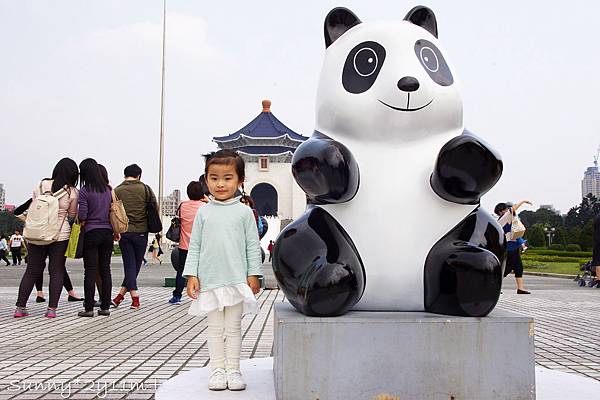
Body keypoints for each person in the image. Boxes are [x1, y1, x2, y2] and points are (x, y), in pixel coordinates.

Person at [184, 150, 262, 391]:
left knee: (234, 327)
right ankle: (217, 369)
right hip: (210, 280)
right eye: (214, 177)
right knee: (215, 328)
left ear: (240, 181)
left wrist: (254, 274)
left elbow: (252, 245)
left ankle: (234, 369)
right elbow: (194, 245)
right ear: (206, 179)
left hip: (236, 280)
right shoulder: (204, 212)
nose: (220, 183)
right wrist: (191, 275)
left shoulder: (244, 212)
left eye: (227, 178)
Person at [14, 157, 79, 318]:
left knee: (32, 270)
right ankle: (51, 310)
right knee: (56, 270)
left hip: (37, 233)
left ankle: (20, 307)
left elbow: (34, 205)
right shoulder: (72, 192)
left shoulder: (41, 185)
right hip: (59, 235)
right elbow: (71, 216)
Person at [112, 164, 158, 309]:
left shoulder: (117, 191)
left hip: (124, 232)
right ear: (139, 175)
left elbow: (112, 211)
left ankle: (120, 296)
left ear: (125, 175)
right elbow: (154, 208)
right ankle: (135, 297)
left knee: (130, 266)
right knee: (135, 266)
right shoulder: (146, 189)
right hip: (141, 232)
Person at [77, 158, 114, 317]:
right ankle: (105, 307)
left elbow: (82, 215)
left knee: (90, 271)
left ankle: (89, 309)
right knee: (105, 270)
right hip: (107, 233)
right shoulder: (108, 189)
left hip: (91, 232)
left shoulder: (85, 190)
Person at [168, 181, 206, 305]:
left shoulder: (182, 205)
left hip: (184, 246)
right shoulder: (205, 207)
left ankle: (177, 296)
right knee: (202, 272)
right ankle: (202, 296)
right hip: (201, 246)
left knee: (181, 271)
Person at [495, 200, 532, 294]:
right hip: (509, 247)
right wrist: (523, 201)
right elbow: (513, 209)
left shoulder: (505, 219)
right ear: (501, 212)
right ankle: (495, 286)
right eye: (505, 209)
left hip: (513, 246)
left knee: (518, 267)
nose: (507, 210)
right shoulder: (504, 218)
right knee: (507, 268)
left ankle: (520, 288)